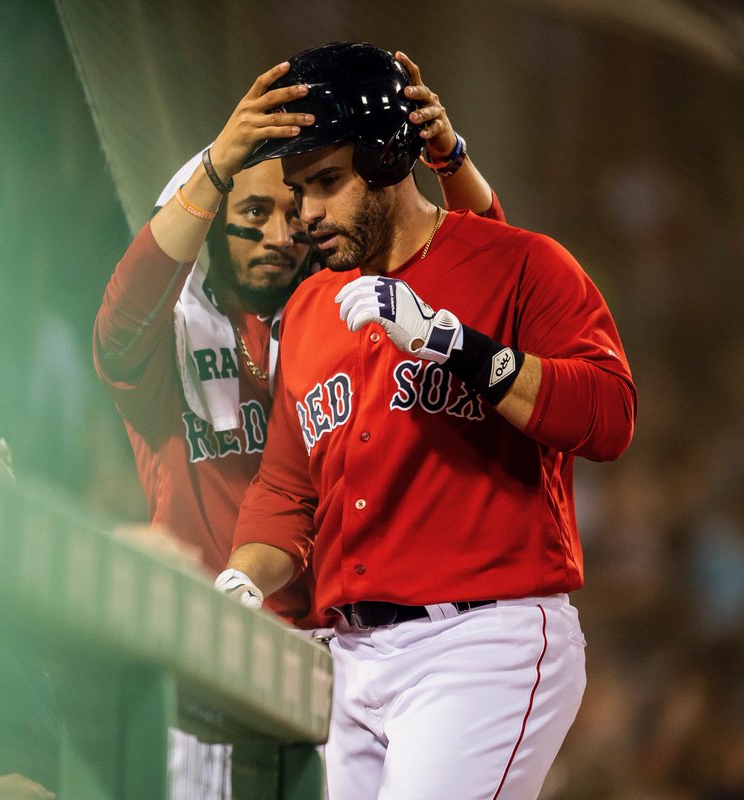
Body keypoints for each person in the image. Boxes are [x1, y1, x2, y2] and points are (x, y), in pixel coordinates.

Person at [213, 42, 637, 799]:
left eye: (327, 183)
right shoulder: (310, 308)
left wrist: (459, 347)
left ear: (385, 159)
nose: (306, 213)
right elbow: (286, 492)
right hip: (345, 653)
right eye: (298, 188)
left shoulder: (519, 264)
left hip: (481, 644)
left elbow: (609, 415)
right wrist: (242, 580)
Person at [94, 50, 503, 624]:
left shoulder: (341, 317)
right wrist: (214, 169)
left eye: (296, 212)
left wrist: (450, 159)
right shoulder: (166, 340)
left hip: (336, 644)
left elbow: (494, 282)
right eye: (255, 211)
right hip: (198, 632)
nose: (282, 236)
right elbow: (126, 311)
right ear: (210, 217)